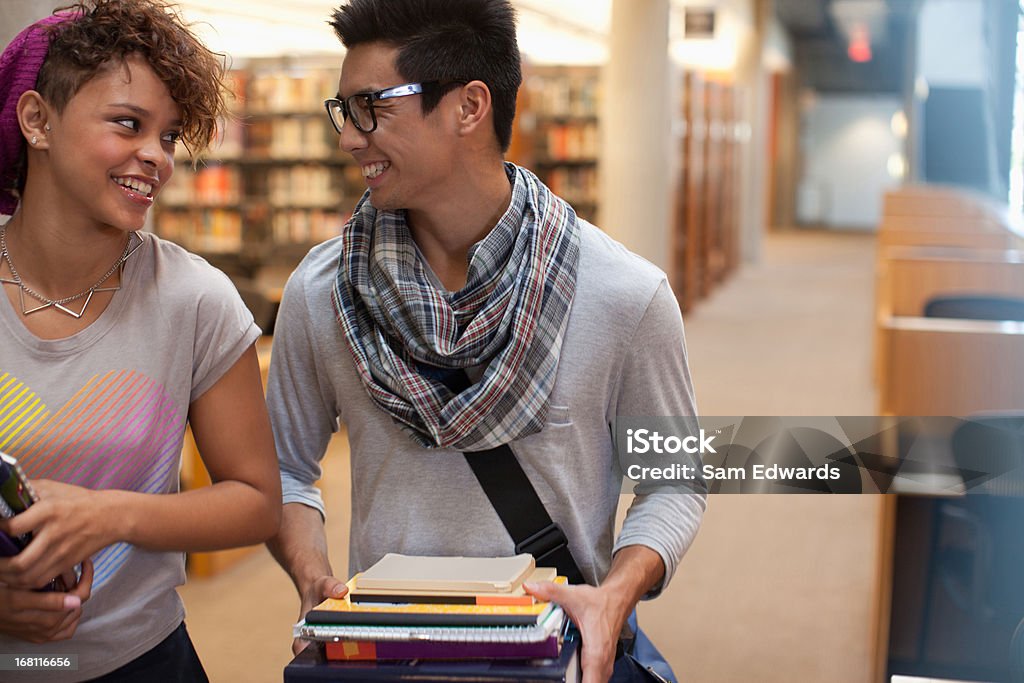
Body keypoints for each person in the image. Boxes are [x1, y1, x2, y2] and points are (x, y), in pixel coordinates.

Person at [266, 1, 705, 681]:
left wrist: (614, 597)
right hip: (382, 650)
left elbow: (676, 481)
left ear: (469, 106)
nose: (350, 138)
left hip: (548, 653)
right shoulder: (322, 291)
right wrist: (312, 575)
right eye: (343, 109)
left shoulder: (625, 294)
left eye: (371, 106)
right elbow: (285, 467)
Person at [0, 1, 281, 680]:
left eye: (170, 137)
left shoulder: (194, 300)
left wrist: (110, 515)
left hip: (142, 662)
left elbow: (256, 499)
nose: (156, 157)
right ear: (37, 119)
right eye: (128, 124)